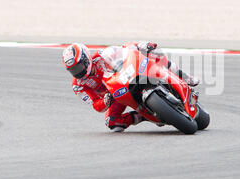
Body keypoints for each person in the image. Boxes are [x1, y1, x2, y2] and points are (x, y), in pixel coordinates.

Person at [62, 42, 199, 132]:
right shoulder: (78, 86)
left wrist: (141, 45)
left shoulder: (101, 55)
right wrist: (105, 100)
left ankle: (184, 76)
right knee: (112, 123)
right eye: (73, 70)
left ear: (86, 59)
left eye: (78, 67)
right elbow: (96, 106)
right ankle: (145, 115)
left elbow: (126, 49)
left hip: (128, 76)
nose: (77, 72)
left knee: (153, 53)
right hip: (115, 95)